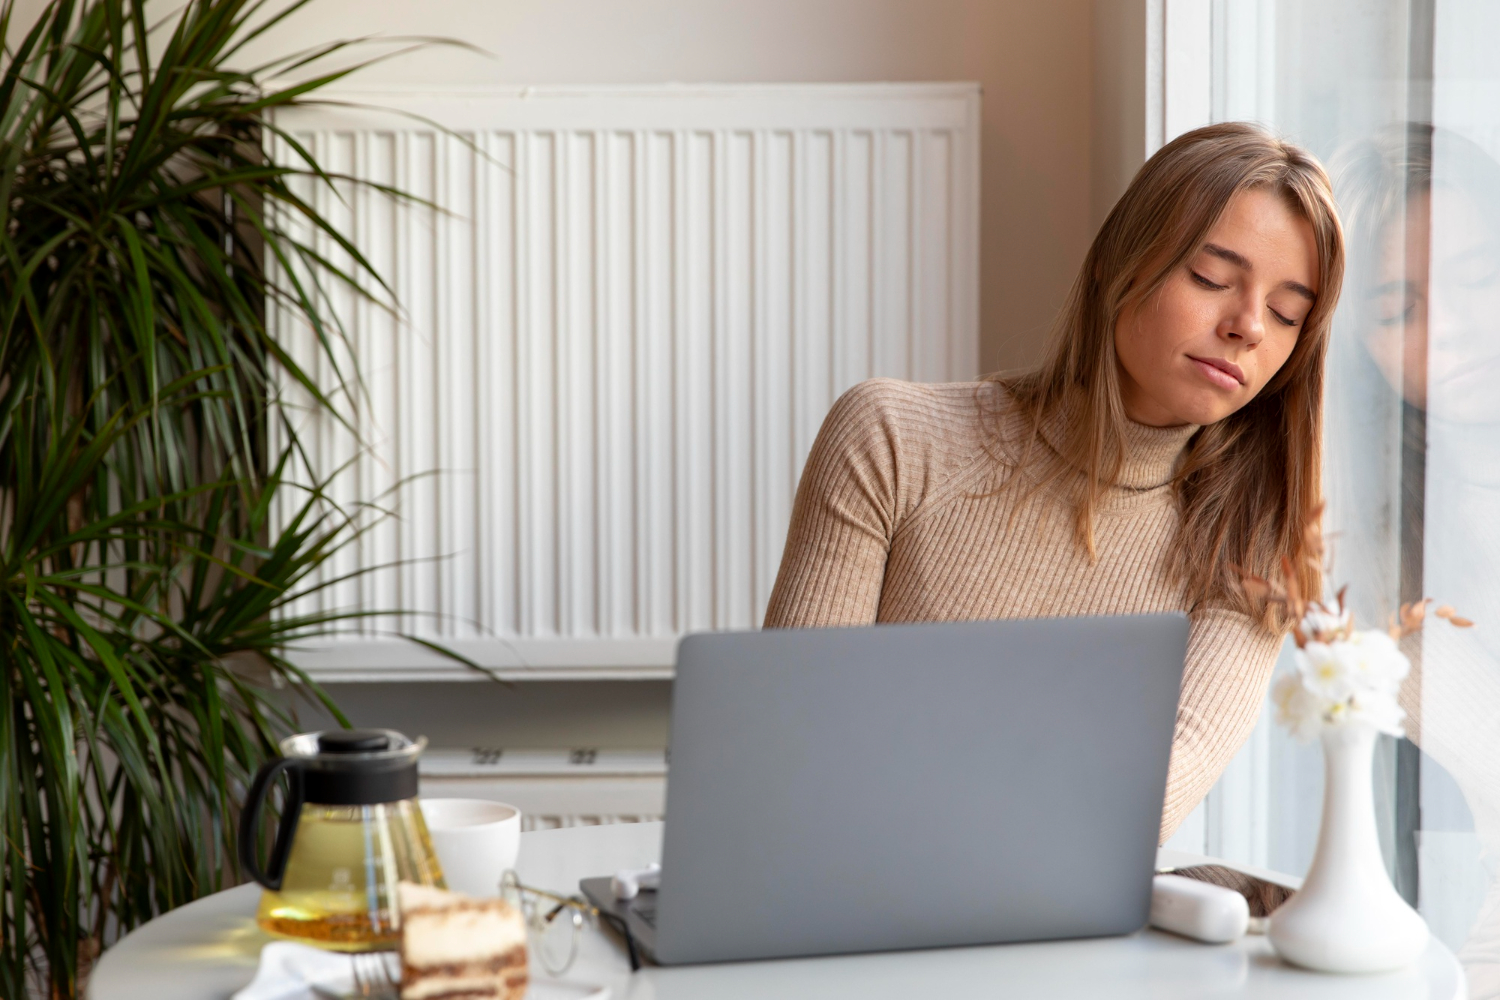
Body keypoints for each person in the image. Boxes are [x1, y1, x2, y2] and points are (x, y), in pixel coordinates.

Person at [764, 121, 1344, 844]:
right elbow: (790, 747)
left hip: (1061, 923)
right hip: (846, 894)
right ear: (1117, 266)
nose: (1250, 326)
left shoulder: (1254, 545)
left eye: (1288, 313)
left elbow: (1140, 804)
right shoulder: (892, 438)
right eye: (1211, 278)